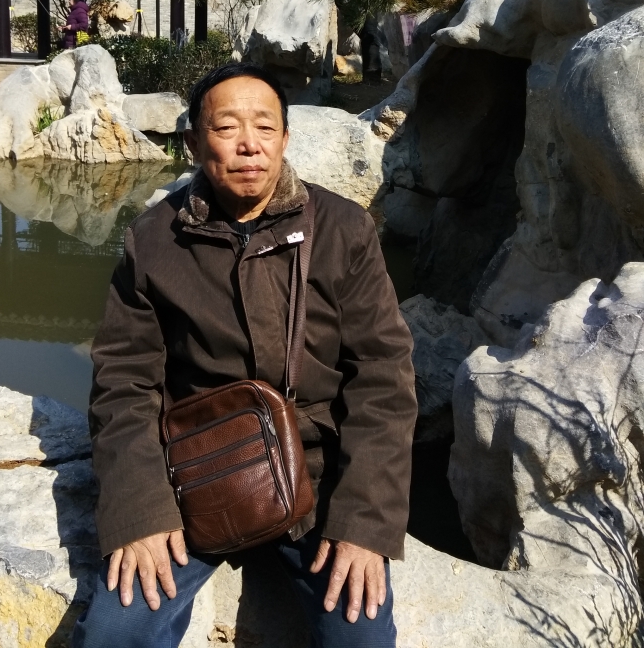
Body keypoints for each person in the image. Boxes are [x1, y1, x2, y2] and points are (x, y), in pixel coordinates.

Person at [73, 61, 417, 648]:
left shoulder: (343, 229)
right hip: (196, 475)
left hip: (317, 480)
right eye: (227, 127)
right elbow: (124, 384)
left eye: (264, 127)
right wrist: (140, 512)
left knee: (360, 636)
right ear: (192, 142)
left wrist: (364, 522)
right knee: (114, 631)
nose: (249, 145)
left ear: (285, 138)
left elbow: (383, 378)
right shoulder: (154, 240)